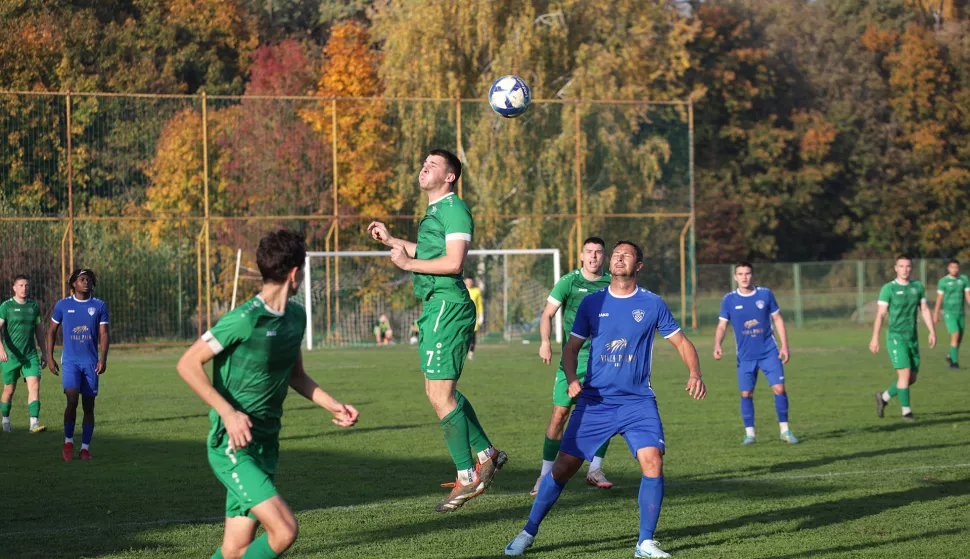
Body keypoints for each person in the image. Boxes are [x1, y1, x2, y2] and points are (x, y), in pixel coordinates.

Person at [504, 240, 706, 558]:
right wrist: (571, 379)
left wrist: (695, 372)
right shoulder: (592, 303)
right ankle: (528, 532)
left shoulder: (652, 304)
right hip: (595, 402)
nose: (618, 257)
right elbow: (571, 349)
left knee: (653, 462)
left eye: (627, 255)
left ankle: (645, 542)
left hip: (638, 402)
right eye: (616, 254)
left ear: (638, 265)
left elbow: (681, 343)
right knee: (562, 469)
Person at [177, 229, 359, 559]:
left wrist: (333, 405)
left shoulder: (295, 317)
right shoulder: (243, 320)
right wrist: (229, 414)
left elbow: (296, 375)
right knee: (284, 530)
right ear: (295, 273)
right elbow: (188, 363)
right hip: (232, 446)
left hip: (265, 444)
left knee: (234, 551)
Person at [367, 148, 506, 513]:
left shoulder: (454, 208)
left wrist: (407, 263)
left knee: (440, 395)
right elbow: (430, 254)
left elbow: (454, 261)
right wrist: (392, 242)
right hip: (434, 306)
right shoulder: (434, 212)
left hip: (447, 305)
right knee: (438, 391)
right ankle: (487, 454)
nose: (423, 167)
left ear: (449, 177)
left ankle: (467, 476)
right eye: (423, 162)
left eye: (433, 165)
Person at [531, 236, 614, 496]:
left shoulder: (612, 283)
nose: (593, 257)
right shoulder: (569, 281)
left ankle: (595, 469)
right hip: (573, 359)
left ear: (604, 256)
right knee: (559, 415)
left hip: (603, 362)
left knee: (604, 416)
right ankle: (544, 475)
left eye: (598, 252)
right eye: (589, 252)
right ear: (581, 255)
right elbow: (547, 314)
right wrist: (545, 341)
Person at [713, 262, 798, 445]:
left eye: (747, 273)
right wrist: (717, 344)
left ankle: (785, 430)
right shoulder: (729, 300)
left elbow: (778, 319)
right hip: (745, 356)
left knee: (779, 389)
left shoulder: (765, 294)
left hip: (769, 352)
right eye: (740, 274)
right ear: (735, 277)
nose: (744, 277)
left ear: (752, 275)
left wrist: (784, 346)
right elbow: (722, 325)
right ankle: (750, 434)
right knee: (746, 393)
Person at [46, 269, 109, 461]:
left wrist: (103, 358)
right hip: (71, 362)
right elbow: (51, 331)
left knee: (88, 407)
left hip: (90, 363)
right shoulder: (63, 305)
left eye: (89, 279)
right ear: (73, 283)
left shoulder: (99, 305)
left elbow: (104, 334)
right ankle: (68, 441)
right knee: (72, 400)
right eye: (82, 279)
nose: (86, 282)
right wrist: (49, 357)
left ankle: (85, 449)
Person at [872, 255, 936, 421]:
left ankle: (884, 397)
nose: (905, 269)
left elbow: (925, 309)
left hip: (912, 338)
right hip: (895, 337)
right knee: (905, 374)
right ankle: (906, 412)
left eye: (908, 266)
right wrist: (874, 338)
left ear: (911, 268)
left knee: (911, 378)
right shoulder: (888, 289)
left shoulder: (917, 287)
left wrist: (932, 331)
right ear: (895, 268)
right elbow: (880, 315)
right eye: (901, 266)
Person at [0, 275, 47, 433]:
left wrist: (45, 353)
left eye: (26, 285)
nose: (24, 288)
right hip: (10, 356)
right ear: (14, 288)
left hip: (30, 355)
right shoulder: (6, 307)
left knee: (34, 385)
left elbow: (39, 330)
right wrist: (1, 349)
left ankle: (34, 422)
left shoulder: (33, 306)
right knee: (9, 390)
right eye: (20, 285)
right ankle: (6, 420)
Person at [932, 259, 970, 369]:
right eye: (952, 267)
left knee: (959, 338)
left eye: (956, 267)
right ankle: (954, 363)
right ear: (948, 268)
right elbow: (939, 298)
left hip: (961, 313)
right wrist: (936, 313)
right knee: (955, 334)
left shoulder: (964, 279)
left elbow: (968, 295)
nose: (954, 269)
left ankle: (950, 355)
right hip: (949, 313)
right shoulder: (943, 281)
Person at [464, 276, 484, 360]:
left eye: (471, 281)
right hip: (463, 317)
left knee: (473, 336)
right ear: (465, 282)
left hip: (473, 317)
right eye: (468, 281)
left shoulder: (476, 291)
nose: (469, 283)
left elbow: (479, 304)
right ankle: (463, 352)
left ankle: (471, 352)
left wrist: (481, 315)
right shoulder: (462, 290)